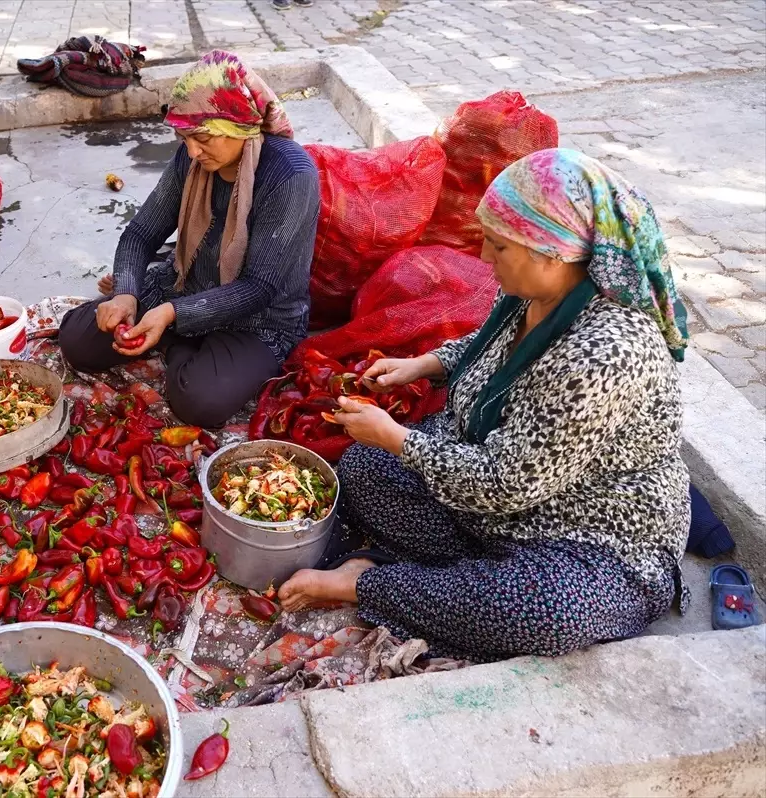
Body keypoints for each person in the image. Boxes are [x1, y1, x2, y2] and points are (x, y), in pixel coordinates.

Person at [279, 148, 692, 663]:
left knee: (543, 611)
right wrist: (425, 364)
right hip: (499, 508)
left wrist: (397, 437)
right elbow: (493, 349)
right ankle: (463, 574)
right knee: (364, 468)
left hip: (588, 538)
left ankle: (369, 584)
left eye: (497, 246)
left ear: (553, 252)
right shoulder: (535, 295)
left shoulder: (605, 353)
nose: (484, 258)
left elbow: (504, 483)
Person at [59, 50, 319, 428]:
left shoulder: (290, 174)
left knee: (200, 402)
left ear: (239, 125)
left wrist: (172, 316)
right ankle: (179, 334)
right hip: (185, 283)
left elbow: (260, 287)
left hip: (258, 316)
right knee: (78, 342)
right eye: (184, 137)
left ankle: (179, 339)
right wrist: (126, 294)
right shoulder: (191, 159)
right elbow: (141, 233)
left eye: (203, 138)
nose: (193, 150)